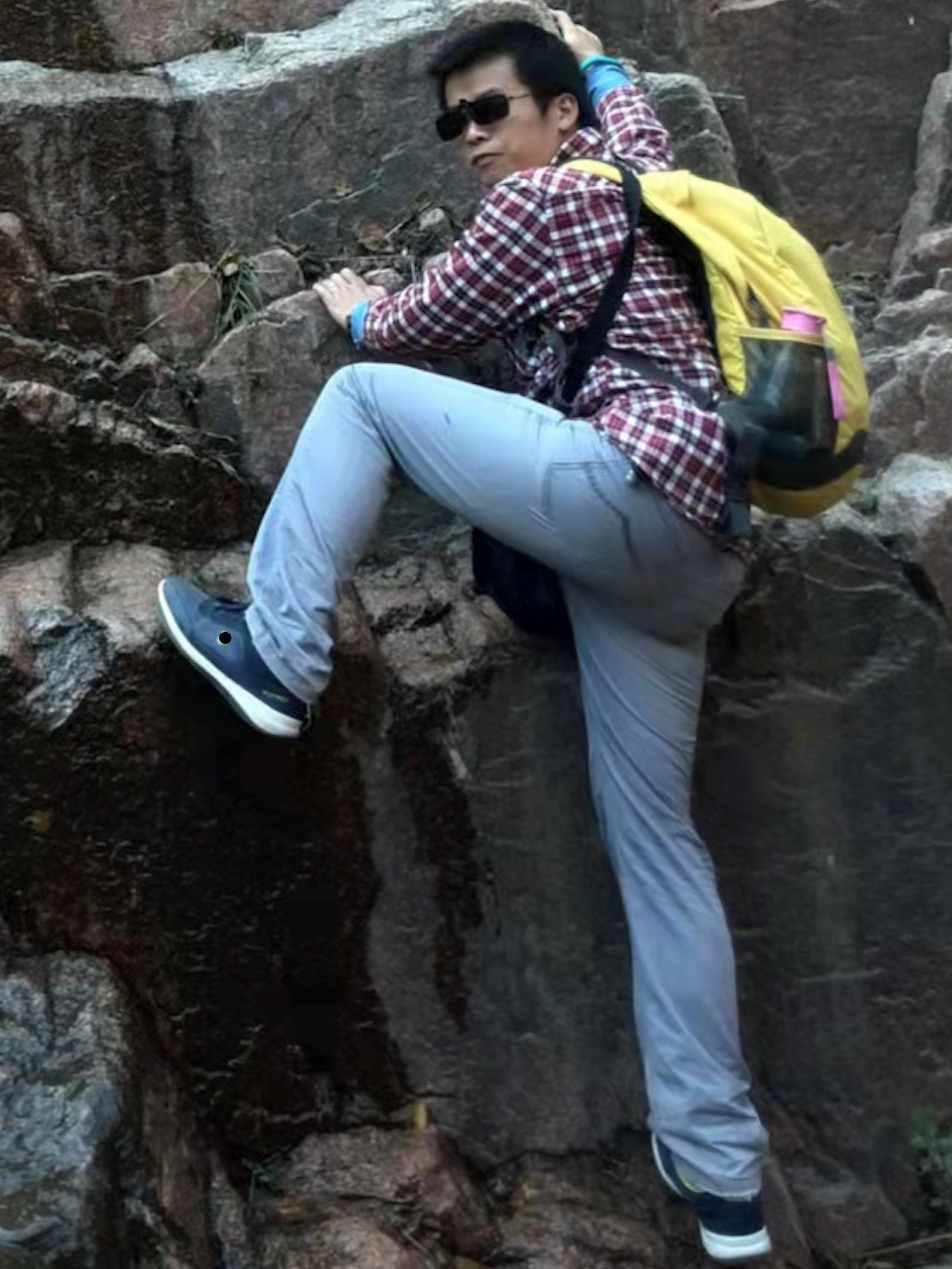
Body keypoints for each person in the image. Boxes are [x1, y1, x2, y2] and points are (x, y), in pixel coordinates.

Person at [157, 10, 771, 1259]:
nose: (472, 139)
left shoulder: (542, 203)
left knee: (363, 397)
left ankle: (277, 652)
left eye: (491, 110)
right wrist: (593, 54)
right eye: (454, 124)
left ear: (555, 117)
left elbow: (410, 331)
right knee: (660, 848)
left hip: (624, 484)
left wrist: (354, 305)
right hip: (695, 551)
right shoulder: (646, 180)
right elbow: (638, 118)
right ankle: (725, 1186)